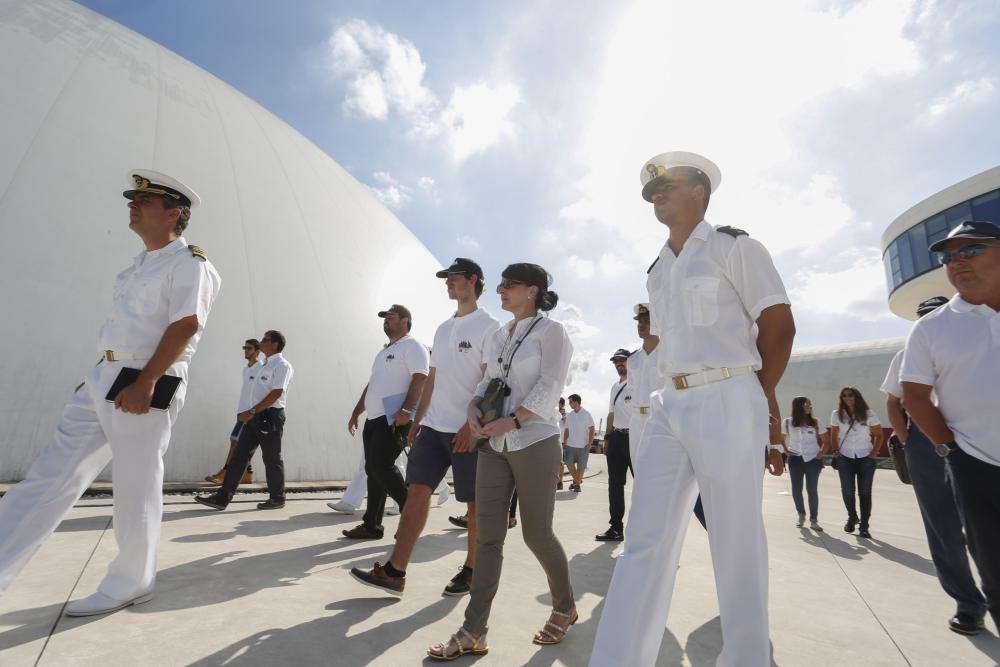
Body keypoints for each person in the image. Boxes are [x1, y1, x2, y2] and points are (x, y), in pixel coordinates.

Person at [591, 151, 793, 667]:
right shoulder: (658, 269)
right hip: (667, 402)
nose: (658, 196)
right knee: (644, 540)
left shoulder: (735, 247)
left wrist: (755, 394)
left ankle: (746, 659)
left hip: (727, 392)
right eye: (653, 191)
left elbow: (778, 325)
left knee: (735, 538)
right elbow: (663, 343)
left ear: (700, 191)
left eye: (669, 186)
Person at [0, 170, 221, 616]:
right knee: (48, 476)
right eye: (132, 199)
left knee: (136, 485)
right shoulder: (140, 263)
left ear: (173, 213)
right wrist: (99, 372)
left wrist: (146, 381)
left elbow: (186, 325)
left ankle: (130, 583)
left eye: (144, 200)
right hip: (106, 377)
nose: (132, 205)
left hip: (145, 380)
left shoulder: (190, 264)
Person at [427, 263, 575, 660]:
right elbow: (488, 379)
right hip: (493, 444)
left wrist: (515, 418)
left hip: (535, 441)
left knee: (536, 534)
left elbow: (551, 383)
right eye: (502, 284)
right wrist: (474, 406)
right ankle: (473, 630)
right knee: (487, 537)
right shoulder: (499, 335)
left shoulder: (551, 332)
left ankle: (564, 607)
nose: (502, 290)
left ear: (533, 290)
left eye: (510, 285)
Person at [350, 258, 499, 596]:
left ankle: (472, 569)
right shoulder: (444, 328)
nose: (448, 282)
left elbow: (492, 382)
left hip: (468, 428)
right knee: (417, 492)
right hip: (432, 427)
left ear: (473, 280)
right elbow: (432, 378)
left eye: (454, 277)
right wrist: (418, 422)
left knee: (473, 504)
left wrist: (471, 426)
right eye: (446, 278)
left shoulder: (490, 327)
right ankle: (395, 571)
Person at [901, 220, 1000, 636]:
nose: (956, 261)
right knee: (993, 564)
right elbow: (912, 396)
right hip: (975, 464)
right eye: (948, 256)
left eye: (971, 250)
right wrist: (949, 449)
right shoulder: (931, 327)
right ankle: (970, 604)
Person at [883, 294, 987, 635]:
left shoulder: (981, 338)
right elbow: (895, 400)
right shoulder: (909, 350)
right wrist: (908, 439)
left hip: (976, 439)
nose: (928, 319)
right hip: (927, 444)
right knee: (942, 526)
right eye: (922, 315)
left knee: (983, 523)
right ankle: (968, 603)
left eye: (935, 313)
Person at [342, 305, 429, 539]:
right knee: (373, 469)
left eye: (391, 317)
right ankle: (372, 525)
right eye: (385, 319)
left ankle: (411, 515)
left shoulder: (412, 346)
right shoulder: (384, 352)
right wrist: (357, 410)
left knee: (381, 466)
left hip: (394, 418)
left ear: (406, 321)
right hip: (374, 417)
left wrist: (407, 410)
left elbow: (421, 377)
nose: (386, 322)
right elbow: (373, 383)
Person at [195, 330, 294, 510]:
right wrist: (250, 412)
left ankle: (277, 498)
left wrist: (254, 410)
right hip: (253, 416)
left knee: (271, 458)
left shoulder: (282, 365)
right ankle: (222, 497)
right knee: (239, 456)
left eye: (265, 339)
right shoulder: (262, 365)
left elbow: (277, 392)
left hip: (269, 416)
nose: (262, 342)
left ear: (275, 344)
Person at [205, 338, 262, 485]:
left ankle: (225, 473)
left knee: (234, 441)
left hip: (249, 413)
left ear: (257, 351)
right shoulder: (246, 369)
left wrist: (252, 411)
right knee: (242, 443)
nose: (246, 350)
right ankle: (248, 474)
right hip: (241, 411)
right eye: (244, 348)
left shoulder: (261, 368)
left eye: (249, 348)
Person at [829, 386, 882, 538]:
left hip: (866, 457)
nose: (847, 398)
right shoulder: (836, 415)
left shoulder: (868, 414)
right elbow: (834, 434)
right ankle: (852, 517)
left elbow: (878, 434)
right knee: (847, 491)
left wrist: (875, 451)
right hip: (845, 457)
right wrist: (835, 451)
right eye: (844, 396)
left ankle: (864, 526)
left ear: (856, 396)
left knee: (865, 492)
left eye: (850, 395)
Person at [596, 349, 634, 541]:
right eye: (616, 361)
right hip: (617, 438)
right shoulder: (614, 388)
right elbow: (611, 414)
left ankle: (648, 532)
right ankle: (616, 528)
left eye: (622, 360)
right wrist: (607, 438)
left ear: (631, 362)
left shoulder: (639, 383)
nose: (619, 363)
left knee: (644, 486)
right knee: (615, 485)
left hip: (635, 438)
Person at [782, 397, 828, 531]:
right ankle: (801, 514)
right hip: (795, 459)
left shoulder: (816, 422)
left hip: (813, 460)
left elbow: (826, 440)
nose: (810, 406)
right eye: (807, 404)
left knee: (812, 490)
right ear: (799, 406)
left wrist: (821, 452)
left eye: (810, 404)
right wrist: (786, 450)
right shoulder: (787, 422)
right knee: (796, 489)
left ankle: (814, 520)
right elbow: (780, 438)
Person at [562, 394, 594, 493]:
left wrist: (590, 443)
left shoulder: (586, 414)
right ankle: (577, 481)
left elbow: (592, 428)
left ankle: (576, 484)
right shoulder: (569, 415)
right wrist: (564, 441)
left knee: (581, 467)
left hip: (583, 445)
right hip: (570, 445)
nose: (569, 404)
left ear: (576, 402)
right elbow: (566, 429)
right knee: (568, 463)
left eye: (571, 402)